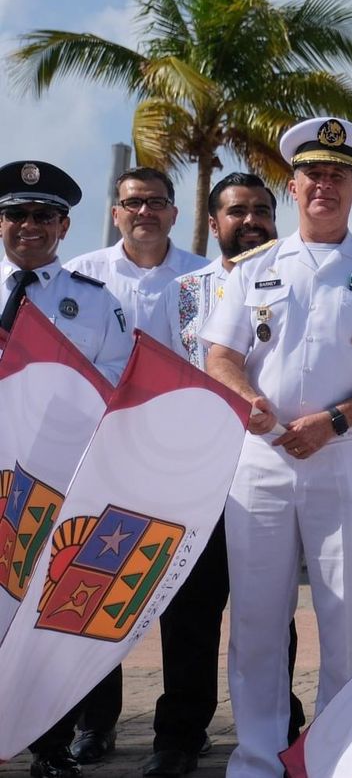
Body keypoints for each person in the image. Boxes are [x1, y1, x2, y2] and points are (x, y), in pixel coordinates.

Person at [202, 117, 352, 778]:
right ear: (293, 184)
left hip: (348, 456)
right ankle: (256, 758)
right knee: (255, 619)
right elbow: (221, 354)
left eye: (337, 175)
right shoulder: (254, 268)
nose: (323, 185)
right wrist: (250, 401)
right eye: (312, 174)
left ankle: (337, 758)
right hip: (262, 459)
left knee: (345, 615)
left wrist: (334, 421)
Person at [143, 174, 302, 777]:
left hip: (273, 472)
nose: (252, 219)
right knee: (189, 611)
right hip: (200, 478)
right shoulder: (182, 293)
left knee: (271, 610)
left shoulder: (297, 282)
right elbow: (159, 377)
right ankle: (179, 735)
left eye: (263, 209)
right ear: (214, 223)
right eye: (238, 211)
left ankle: (280, 728)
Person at [61, 166, 208, 766]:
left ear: (174, 212)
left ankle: (181, 733)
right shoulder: (81, 276)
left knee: (189, 607)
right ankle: (94, 725)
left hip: (184, 461)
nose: (143, 212)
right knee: (95, 593)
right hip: (102, 459)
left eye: (155, 202)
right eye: (132, 203)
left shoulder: (203, 277)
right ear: (115, 211)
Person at [0, 160, 132, 778]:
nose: (30, 226)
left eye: (43, 216)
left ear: (63, 225)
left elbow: (115, 385)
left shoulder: (94, 302)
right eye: (16, 215)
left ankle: (50, 748)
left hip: (55, 479)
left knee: (44, 618)